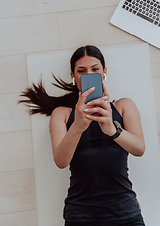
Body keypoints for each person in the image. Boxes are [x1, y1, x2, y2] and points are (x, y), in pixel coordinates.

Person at [19, 45, 146, 226]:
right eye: (81, 71)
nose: (88, 74)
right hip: (81, 215)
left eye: (95, 69)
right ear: (73, 76)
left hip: (125, 212)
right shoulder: (61, 114)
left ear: (104, 72)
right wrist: (78, 126)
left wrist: (112, 129)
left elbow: (139, 149)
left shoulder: (123, 106)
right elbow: (61, 161)